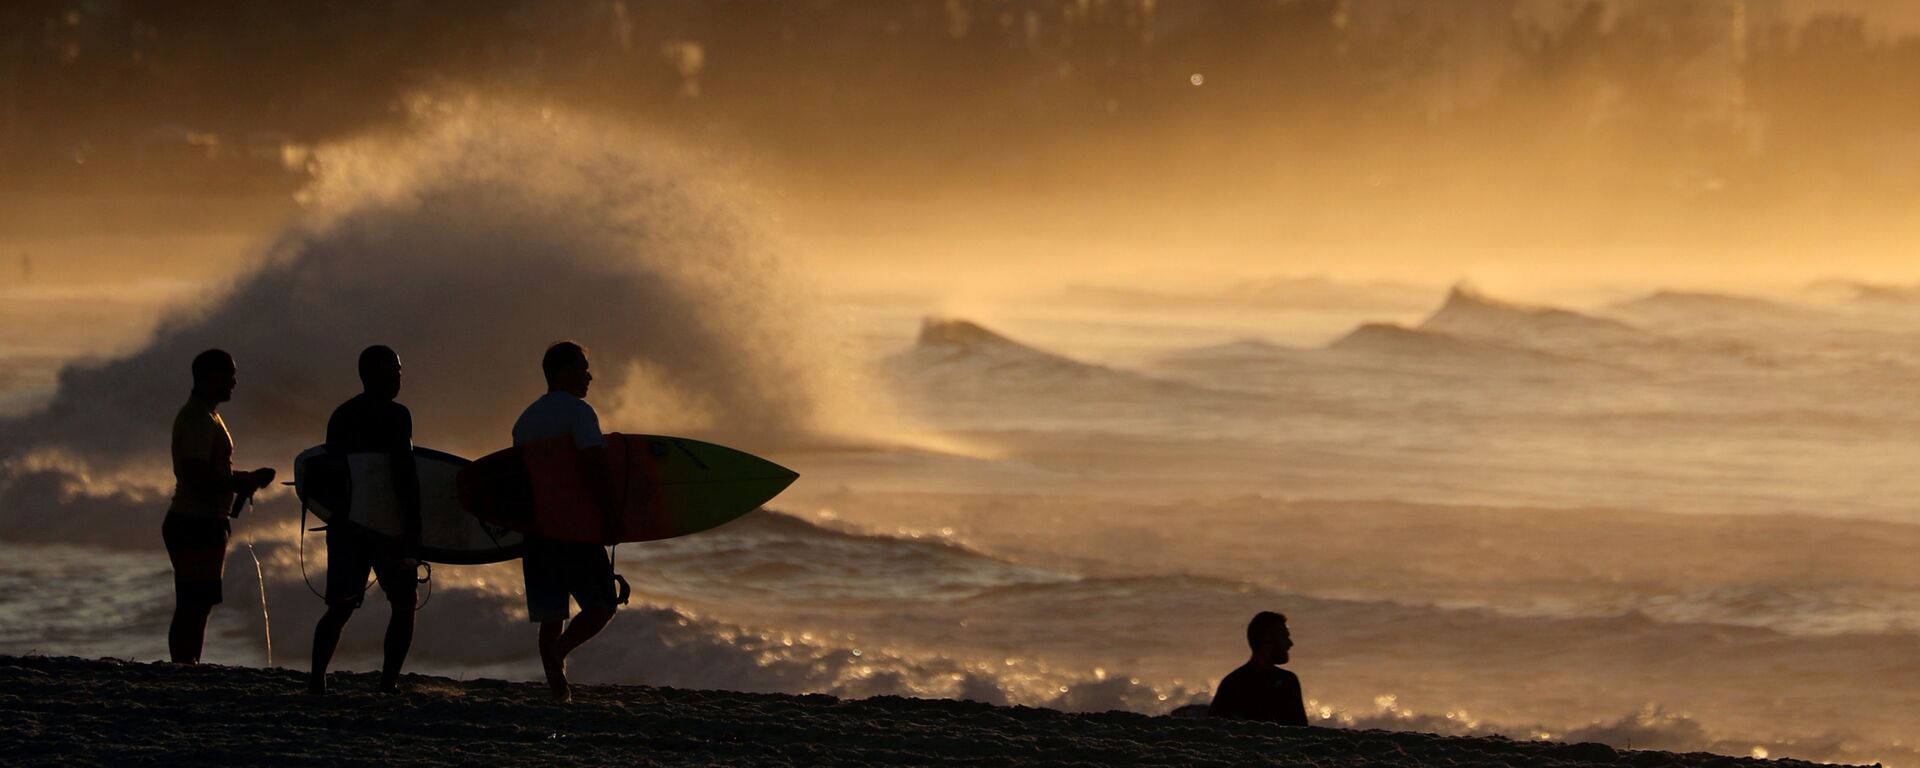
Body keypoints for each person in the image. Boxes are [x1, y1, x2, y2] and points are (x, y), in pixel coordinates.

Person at [308, 345, 421, 694]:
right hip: (386, 526)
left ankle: (316, 681)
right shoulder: (397, 415)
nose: (400, 378)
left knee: (340, 606)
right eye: (395, 371)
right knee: (403, 604)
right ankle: (388, 685)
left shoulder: (340, 415)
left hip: (347, 524)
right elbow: (403, 475)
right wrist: (413, 528)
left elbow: (333, 475)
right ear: (374, 374)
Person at [514, 341, 620, 702]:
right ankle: (560, 653)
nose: (589, 376)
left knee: (552, 612)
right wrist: (611, 515)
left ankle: (559, 691)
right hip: (574, 525)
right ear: (563, 372)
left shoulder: (524, 421)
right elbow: (594, 464)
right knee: (603, 604)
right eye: (583, 367)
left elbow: (521, 481)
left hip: (537, 530)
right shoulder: (579, 411)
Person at [163, 349, 275, 664]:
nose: (234, 382)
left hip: (201, 520)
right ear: (210, 377)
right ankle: (184, 666)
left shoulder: (206, 415)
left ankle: (186, 664)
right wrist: (240, 483)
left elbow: (211, 473)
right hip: (193, 521)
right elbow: (196, 476)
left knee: (197, 602)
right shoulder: (199, 419)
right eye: (229, 375)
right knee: (192, 602)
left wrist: (246, 478)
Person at [1207, 611, 1310, 726]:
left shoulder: (1232, 682)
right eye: (1284, 637)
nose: (1290, 643)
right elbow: (1301, 733)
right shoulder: (1287, 681)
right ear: (1268, 640)